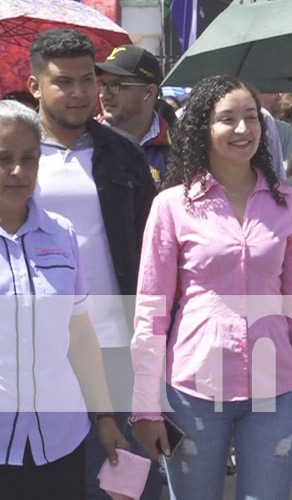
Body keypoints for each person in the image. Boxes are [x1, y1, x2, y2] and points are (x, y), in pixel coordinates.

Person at [129, 75, 292, 500]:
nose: (243, 129)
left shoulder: (287, 204)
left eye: (251, 118)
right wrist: (145, 403)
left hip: (277, 388)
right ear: (203, 128)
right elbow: (151, 311)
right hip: (193, 388)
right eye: (228, 119)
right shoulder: (173, 205)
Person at [26, 29, 158, 500]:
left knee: (115, 478)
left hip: (113, 346)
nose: (80, 92)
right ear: (35, 85)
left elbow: (151, 250)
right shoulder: (14, 157)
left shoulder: (123, 155)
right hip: (34, 351)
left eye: (88, 80)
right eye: (64, 81)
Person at [0, 100, 128, 500]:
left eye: (29, 158)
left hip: (60, 441)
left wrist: (105, 418)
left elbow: (81, 337)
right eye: (3, 158)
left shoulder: (62, 234)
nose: (18, 171)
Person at [96, 44, 171, 189]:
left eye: (115, 85)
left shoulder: (178, 146)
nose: (103, 95)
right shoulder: (86, 141)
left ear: (148, 93)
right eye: (103, 84)